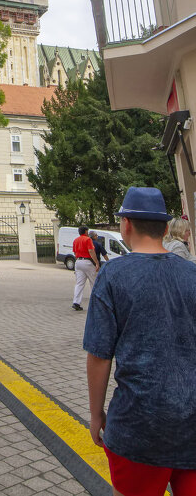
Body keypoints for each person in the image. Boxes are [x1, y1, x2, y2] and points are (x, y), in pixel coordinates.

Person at [85, 186, 196, 496]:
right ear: (164, 228)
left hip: (138, 426)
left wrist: (96, 415)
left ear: (126, 225)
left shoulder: (113, 275)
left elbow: (99, 355)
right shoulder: (193, 274)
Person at [71, 226, 99, 311]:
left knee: (79, 283)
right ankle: (95, 303)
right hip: (88, 262)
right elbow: (91, 251)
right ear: (86, 232)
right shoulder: (88, 239)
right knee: (93, 282)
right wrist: (96, 262)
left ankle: (76, 302)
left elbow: (75, 252)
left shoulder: (76, 240)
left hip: (78, 262)